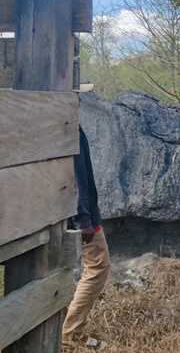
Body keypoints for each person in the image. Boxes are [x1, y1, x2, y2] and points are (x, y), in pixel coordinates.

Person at [61, 123, 110, 350]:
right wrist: (84, 219)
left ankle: (62, 331)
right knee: (98, 266)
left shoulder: (50, 119)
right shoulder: (69, 125)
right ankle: (68, 336)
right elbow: (76, 175)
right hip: (79, 217)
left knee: (57, 273)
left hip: (56, 213)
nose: (80, 100)